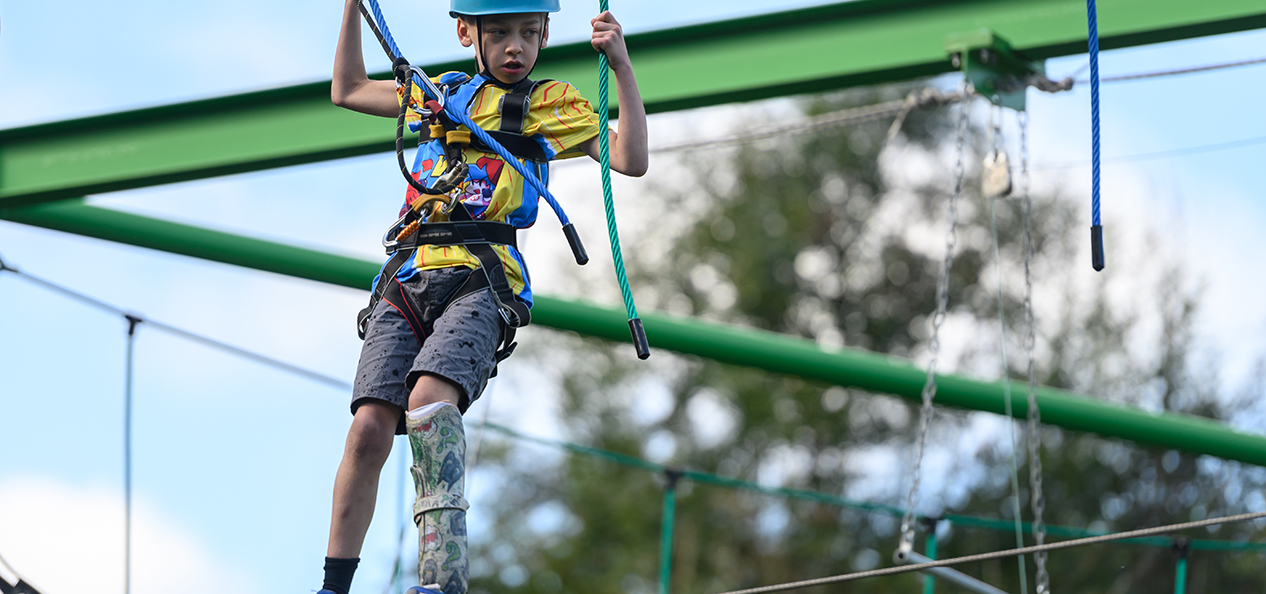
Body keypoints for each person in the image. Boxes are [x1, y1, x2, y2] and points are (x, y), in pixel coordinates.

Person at [318, 1, 648, 594]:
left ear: (545, 34)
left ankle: (443, 579)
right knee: (369, 427)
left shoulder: (549, 103)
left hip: (482, 276)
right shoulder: (439, 94)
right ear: (470, 33)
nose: (514, 47)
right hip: (411, 272)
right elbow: (347, 90)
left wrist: (620, 65)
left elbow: (629, 158)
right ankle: (333, 585)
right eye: (499, 33)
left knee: (429, 400)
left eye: (527, 33)